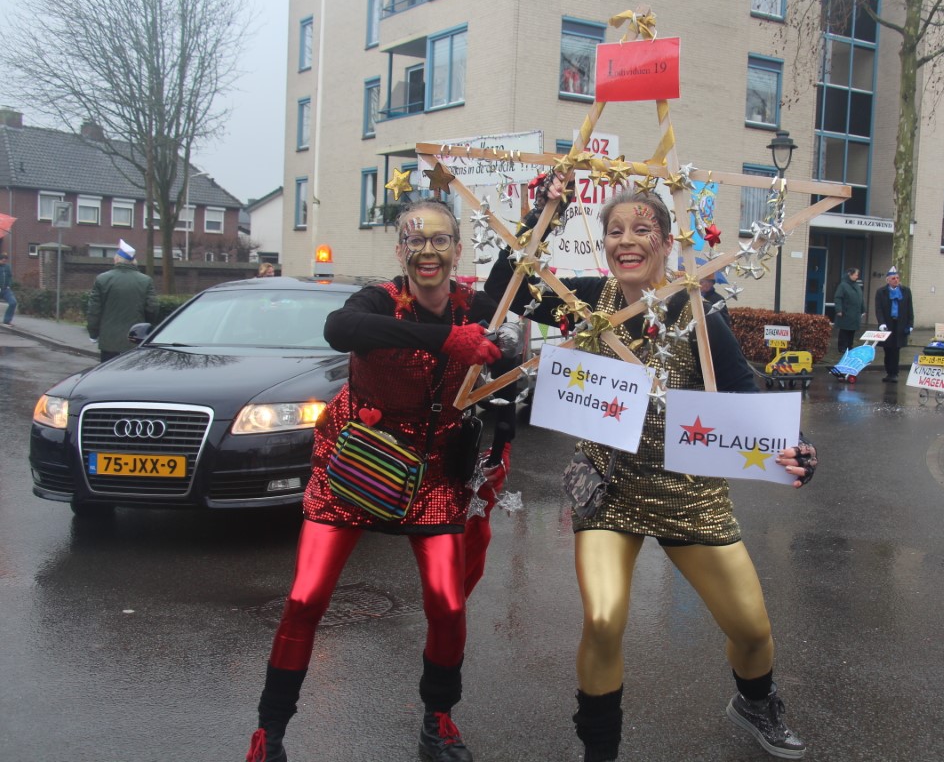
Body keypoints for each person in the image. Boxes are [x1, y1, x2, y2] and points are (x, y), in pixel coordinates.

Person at [486, 184, 818, 762]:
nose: (627, 241)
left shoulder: (698, 315)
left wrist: (795, 448)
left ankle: (756, 703)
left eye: (642, 230)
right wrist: (545, 212)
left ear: (666, 243)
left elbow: (745, 395)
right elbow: (503, 287)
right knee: (604, 619)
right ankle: (599, 750)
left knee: (751, 630)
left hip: (689, 495)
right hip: (608, 489)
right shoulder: (586, 301)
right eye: (615, 231)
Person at [245, 199, 518, 762]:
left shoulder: (476, 306)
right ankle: (270, 733)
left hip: (434, 474)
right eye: (416, 240)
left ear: (457, 250)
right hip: (356, 464)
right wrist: (444, 341)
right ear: (400, 250)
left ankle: (438, 720)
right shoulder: (377, 300)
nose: (427, 251)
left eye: (439, 240)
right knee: (305, 598)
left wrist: (507, 358)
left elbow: (518, 304)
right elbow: (339, 329)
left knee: (447, 605)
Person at [86, 240, 158, 362]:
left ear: (117, 260)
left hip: (109, 342)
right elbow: (152, 309)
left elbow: (94, 311)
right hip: (135, 340)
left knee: (109, 371)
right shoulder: (146, 281)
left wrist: (93, 334)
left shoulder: (102, 279)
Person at [873, 266, 914, 383]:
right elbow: (879, 309)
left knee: (896, 349)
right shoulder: (881, 292)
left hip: (900, 324)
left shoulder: (906, 291)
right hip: (888, 324)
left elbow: (910, 308)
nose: (896, 280)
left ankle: (894, 373)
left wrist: (910, 324)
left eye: (897, 278)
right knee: (887, 349)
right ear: (888, 280)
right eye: (893, 278)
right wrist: (881, 323)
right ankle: (889, 372)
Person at [832, 267, 864, 354]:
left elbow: (860, 298)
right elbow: (838, 298)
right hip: (846, 313)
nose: (857, 277)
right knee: (844, 331)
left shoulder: (856, 286)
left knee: (852, 331)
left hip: (855, 314)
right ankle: (842, 347)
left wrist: (863, 309)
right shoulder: (843, 285)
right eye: (856, 275)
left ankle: (850, 346)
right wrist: (839, 309)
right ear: (850, 274)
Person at [1, 250, 16, 326]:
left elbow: (10, 277)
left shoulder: (7, 267)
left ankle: (7, 320)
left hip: (5, 289)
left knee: (13, 302)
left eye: (5, 260)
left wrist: (9, 285)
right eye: (2, 260)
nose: (4, 262)